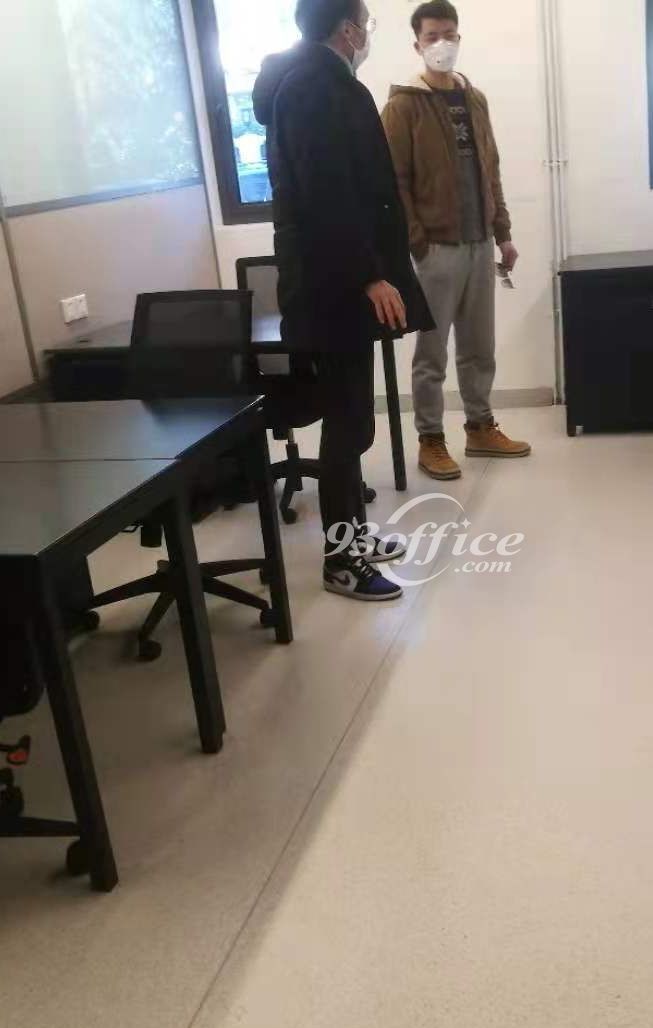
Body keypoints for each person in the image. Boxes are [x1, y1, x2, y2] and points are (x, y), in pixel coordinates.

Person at [253, 0, 434, 601]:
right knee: (346, 420)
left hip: (336, 282)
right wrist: (369, 276)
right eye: (366, 23)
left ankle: (353, 534)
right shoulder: (313, 88)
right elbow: (328, 194)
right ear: (347, 29)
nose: (368, 33)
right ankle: (340, 561)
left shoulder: (319, 81)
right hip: (333, 288)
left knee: (352, 418)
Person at [381, 0, 531, 482]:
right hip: (436, 250)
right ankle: (430, 439)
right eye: (432, 36)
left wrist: (503, 233)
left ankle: (480, 427)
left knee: (479, 346)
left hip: (479, 244)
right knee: (432, 354)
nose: (442, 44)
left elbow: (492, 168)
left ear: (459, 38)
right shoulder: (403, 106)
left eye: (449, 34)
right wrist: (418, 243)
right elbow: (394, 183)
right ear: (417, 44)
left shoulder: (475, 99)